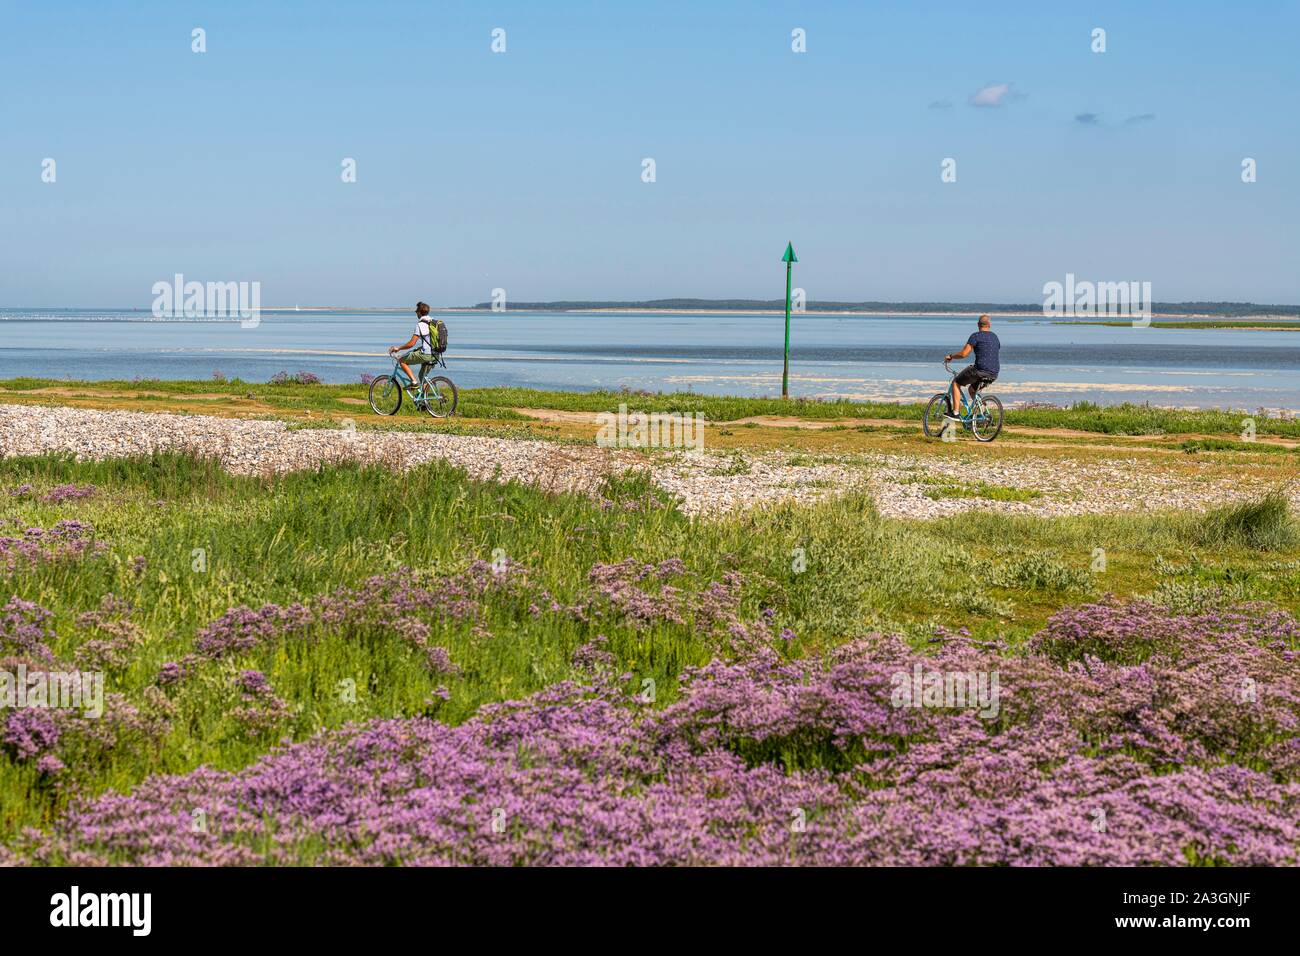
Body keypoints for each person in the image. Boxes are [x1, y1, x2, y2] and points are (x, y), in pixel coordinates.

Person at [944, 314, 1000, 422]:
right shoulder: (995, 337)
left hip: (979, 371)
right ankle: (983, 414)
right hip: (993, 373)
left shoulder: (976, 336)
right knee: (971, 390)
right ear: (990, 325)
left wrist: (951, 356)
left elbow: (964, 354)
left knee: (956, 383)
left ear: (978, 325)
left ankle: (955, 413)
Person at [389, 302, 437, 388]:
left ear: (419, 312)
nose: (416, 313)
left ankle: (414, 382)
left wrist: (398, 348)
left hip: (427, 355)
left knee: (402, 361)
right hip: (436, 354)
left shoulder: (421, 324)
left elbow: (411, 344)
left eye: (416, 311)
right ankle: (427, 398)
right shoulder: (433, 322)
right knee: (422, 377)